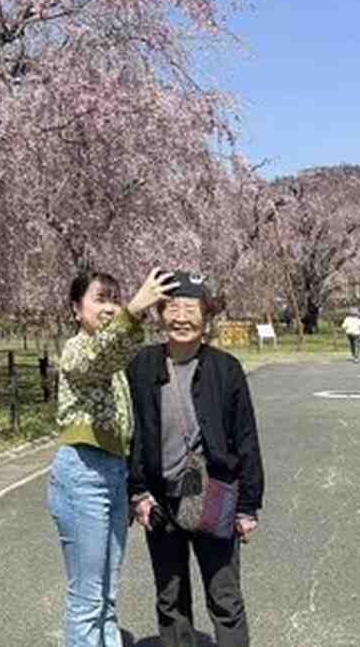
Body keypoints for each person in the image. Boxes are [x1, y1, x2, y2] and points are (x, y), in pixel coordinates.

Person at [127, 272, 264, 647]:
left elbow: (246, 439)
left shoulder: (225, 368)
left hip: (216, 494)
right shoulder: (142, 365)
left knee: (224, 596)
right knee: (170, 598)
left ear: (206, 317)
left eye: (191, 308)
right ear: (159, 314)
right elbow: (132, 434)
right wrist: (137, 492)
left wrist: (248, 506)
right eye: (172, 307)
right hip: (159, 499)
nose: (181, 317)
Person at [49, 267, 176, 647]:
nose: (109, 308)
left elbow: (114, 353)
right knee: (87, 597)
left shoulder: (115, 363)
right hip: (82, 472)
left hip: (113, 473)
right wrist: (133, 310)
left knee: (107, 593)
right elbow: (97, 356)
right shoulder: (75, 349)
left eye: (114, 299)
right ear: (76, 309)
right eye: (99, 299)